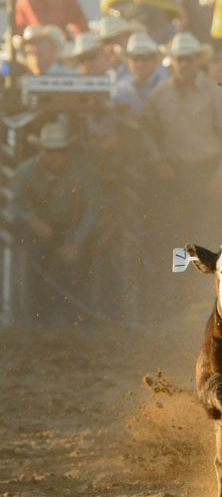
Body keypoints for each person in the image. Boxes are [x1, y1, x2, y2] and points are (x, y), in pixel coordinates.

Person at [140, 32, 222, 243]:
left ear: (198, 61)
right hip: (172, 175)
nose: (185, 64)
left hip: (206, 173)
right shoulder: (160, 93)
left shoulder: (214, 93)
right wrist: (157, 159)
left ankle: (201, 276)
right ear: (173, 63)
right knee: (176, 237)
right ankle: (179, 276)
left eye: (189, 59)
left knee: (206, 237)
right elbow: (145, 130)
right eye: (180, 59)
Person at [10, 121, 102, 323]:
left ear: (67, 151)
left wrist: (76, 241)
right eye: (48, 150)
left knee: (80, 264)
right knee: (32, 257)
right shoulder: (25, 171)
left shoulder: (83, 170)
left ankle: (76, 318)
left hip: (73, 229)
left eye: (59, 150)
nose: (54, 155)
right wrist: (32, 219)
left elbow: (94, 206)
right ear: (40, 150)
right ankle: (35, 317)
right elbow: (15, 203)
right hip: (40, 231)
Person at [110, 32, 168, 112]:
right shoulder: (121, 90)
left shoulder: (166, 88)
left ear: (155, 61)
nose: (140, 63)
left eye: (145, 58)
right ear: (129, 63)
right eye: (135, 58)